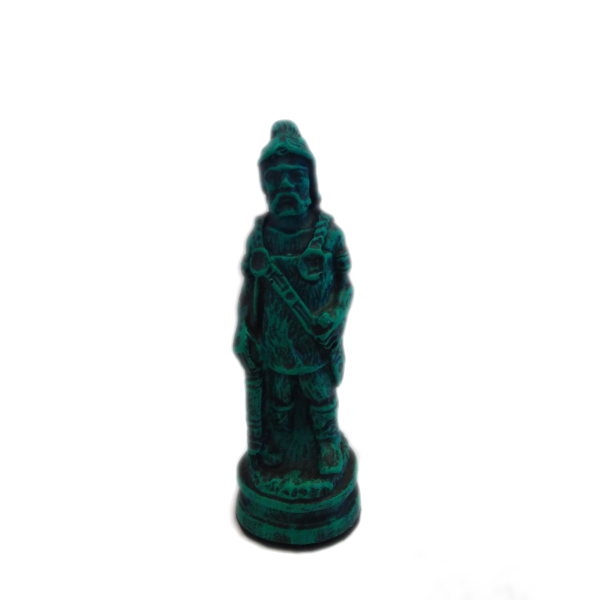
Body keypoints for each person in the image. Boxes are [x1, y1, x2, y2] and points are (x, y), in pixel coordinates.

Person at [233, 119, 354, 475]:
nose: (285, 185)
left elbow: (345, 284)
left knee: (319, 392)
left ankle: (327, 442)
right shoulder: (259, 235)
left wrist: (335, 314)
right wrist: (243, 329)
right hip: (275, 341)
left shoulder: (329, 234)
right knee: (279, 395)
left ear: (311, 181)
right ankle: (279, 444)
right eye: (275, 177)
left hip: (313, 340)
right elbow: (249, 289)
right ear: (264, 184)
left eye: (295, 176)